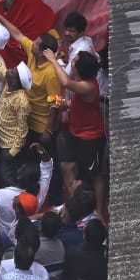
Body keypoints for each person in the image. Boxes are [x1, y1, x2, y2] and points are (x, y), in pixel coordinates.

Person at [0, 9, 61, 160]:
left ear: (43, 52)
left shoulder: (50, 74)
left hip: (41, 127)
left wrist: (49, 131)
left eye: (36, 43)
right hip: (27, 119)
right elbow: (18, 34)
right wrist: (0, 17)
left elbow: (55, 103)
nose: (32, 43)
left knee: (43, 162)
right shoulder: (34, 54)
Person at [50, 50, 107, 223]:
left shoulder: (88, 85)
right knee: (67, 166)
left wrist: (53, 60)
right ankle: (74, 204)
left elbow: (65, 81)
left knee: (96, 175)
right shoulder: (80, 82)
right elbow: (75, 103)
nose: (72, 60)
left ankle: (98, 213)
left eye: (74, 60)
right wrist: (62, 103)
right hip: (75, 132)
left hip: (91, 137)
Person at [0, 65, 31, 187]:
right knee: (2, 174)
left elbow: (22, 128)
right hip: (0, 140)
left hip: (10, 146)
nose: (8, 70)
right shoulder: (9, 86)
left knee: (7, 176)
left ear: (15, 81)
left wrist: (13, 151)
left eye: (12, 71)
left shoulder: (21, 101)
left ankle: (13, 202)